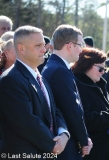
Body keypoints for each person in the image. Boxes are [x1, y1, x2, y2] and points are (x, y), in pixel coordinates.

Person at [0, 25, 69, 157]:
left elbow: (53, 109)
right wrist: (53, 144)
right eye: (38, 45)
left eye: (44, 45)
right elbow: (25, 122)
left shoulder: (39, 77)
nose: (44, 49)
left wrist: (63, 133)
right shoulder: (10, 80)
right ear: (21, 48)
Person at [42, 24, 93, 160]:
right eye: (80, 44)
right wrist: (84, 140)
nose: (81, 50)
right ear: (70, 45)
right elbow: (72, 110)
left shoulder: (56, 66)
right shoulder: (59, 70)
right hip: (66, 146)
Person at [71, 47, 109, 160]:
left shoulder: (99, 84)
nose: (103, 72)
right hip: (94, 150)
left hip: (107, 147)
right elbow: (86, 118)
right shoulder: (79, 86)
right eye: (100, 69)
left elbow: (107, 109)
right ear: (87, 65)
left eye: (104, 69)